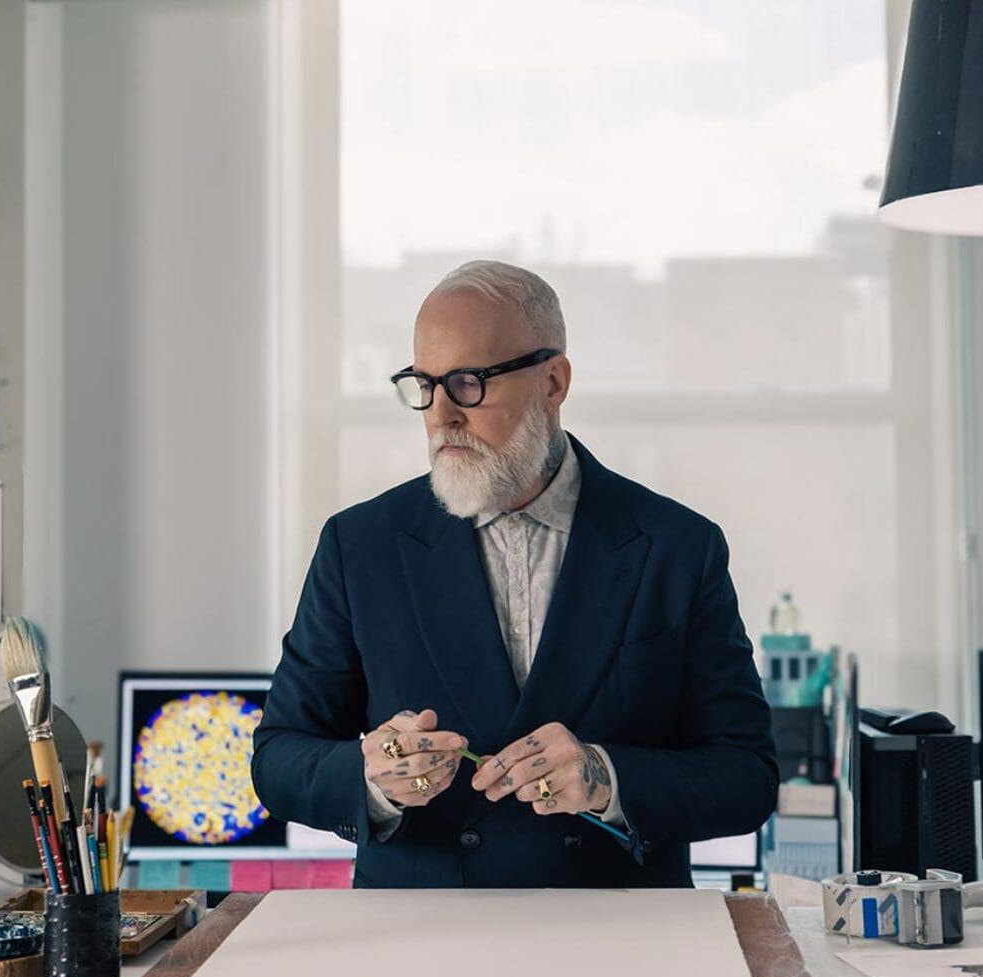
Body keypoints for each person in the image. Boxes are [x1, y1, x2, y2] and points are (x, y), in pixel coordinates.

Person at [252, 260, 776, 888]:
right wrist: (370, 778)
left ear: (552, 382)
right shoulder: (360, 544)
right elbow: (279, 758)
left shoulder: (677, 545)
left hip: (623, 942)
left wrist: (605, 775)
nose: (441, 414)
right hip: (417, 941)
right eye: (424, 383)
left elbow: (746, 776)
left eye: (468, 382)